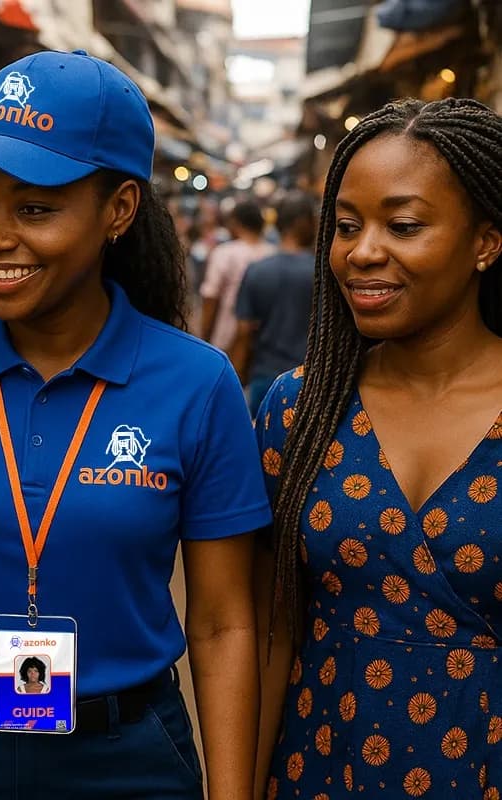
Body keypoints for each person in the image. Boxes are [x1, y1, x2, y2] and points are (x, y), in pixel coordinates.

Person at [0, 49, 270, 800]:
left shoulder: (198, 385)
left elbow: (224, 624)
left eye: (34, 209)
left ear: (119, 210)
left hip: (128, 766)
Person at [255, 97, 502, 799]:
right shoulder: (300, 408)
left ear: (485, 243)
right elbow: (273, 631)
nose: (361, 251)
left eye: (403, 225)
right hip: (322, 769)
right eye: (345, 226)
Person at [231, 191, 317, 414]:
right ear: (304, 223)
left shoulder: (257, 270)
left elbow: (243, 331)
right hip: (312, 380)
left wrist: (236, 379)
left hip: (265, 378)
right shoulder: (322, 274)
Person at [199, 198, 274, 351]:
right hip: (265, 342)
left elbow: (210, 299)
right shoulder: (273, 253)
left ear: (235, 223)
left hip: (226, 338)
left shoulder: (225, 253)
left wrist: (204, 339)